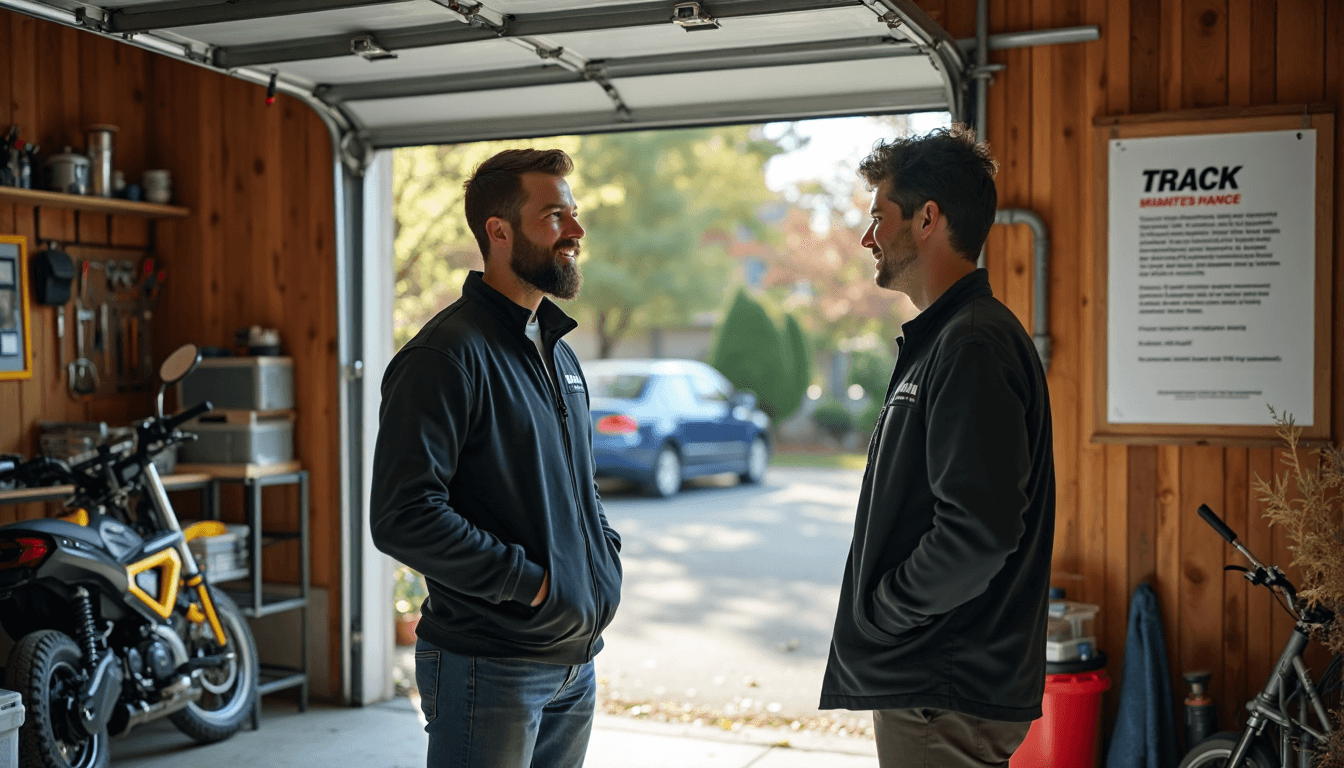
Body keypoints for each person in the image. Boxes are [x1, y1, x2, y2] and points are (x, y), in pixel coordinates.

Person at [370, 148, 622, 768]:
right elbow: (404, 515)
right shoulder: (445, 356)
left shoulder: (557, 352)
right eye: (555, 215)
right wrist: (531, 585)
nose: (576, 231)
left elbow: (575, 487)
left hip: (574, 665)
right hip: (490, 666)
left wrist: (600, 562)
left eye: (575, 213)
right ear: (499, 232)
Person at [819, 126, 1056, 767]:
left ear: (927, 219)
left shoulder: (972, 344)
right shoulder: (949, 338)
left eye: (878, 217)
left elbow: (977, 532)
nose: (868, 237)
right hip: (937, 680)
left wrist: (886, 614)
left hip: (941, 685)